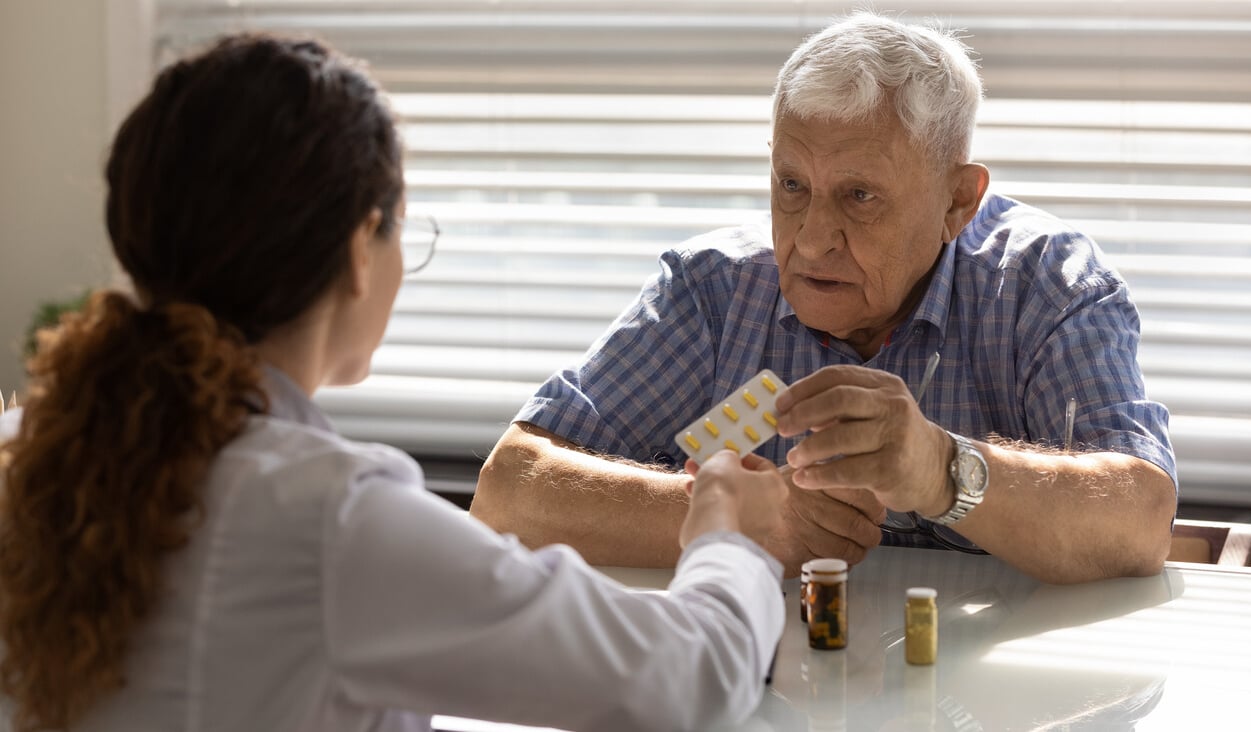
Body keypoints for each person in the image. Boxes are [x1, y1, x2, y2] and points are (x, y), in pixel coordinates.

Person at [0, 34, 789, 732]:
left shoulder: (24, 453)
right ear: (357, 251)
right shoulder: (328, 520)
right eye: (402, 228)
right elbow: (687, 682)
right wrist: (727, 532)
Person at [470, 10, 1178, 585]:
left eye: (859, 196)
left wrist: (939, 469)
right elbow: (508, 494)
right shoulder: (715, 287)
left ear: (958, 201)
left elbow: (1142, 521)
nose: (810, 242)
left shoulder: (1044, 285)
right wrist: (743, 523)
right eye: (791, 186)